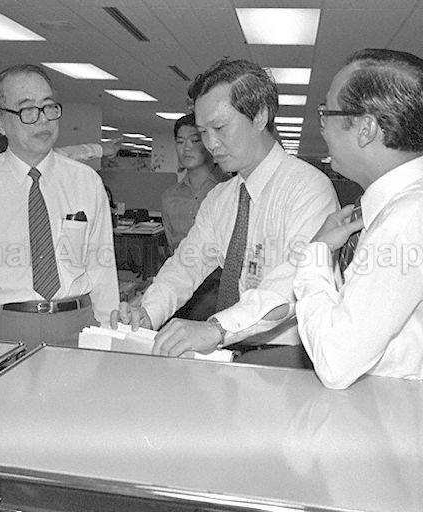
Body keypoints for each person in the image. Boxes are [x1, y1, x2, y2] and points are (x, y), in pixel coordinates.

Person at [290, 48, 423, 410]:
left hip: (394, 436)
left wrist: (316, 253)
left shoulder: (408, 220)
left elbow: (335, 361)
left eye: (326, 112)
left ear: (365, 129)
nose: (322, 126)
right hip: (411, 422)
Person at [112, 58, 339, 367]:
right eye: (204, 132)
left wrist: (216, 329)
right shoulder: (222, 198)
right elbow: (186, 265)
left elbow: (295, 282)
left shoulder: (308, 189)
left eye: (219, 128)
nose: (211, 144)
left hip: (290, 356)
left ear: (260, 116)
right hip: (232, 354)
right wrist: (147, 313)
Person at [0, 64, 118, 347]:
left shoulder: (86, 182)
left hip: (77, 326)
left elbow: (102, 268)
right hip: (0, 328)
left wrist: (111, 336)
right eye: (27, 110)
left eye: (49, 107)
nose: (42, 120)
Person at [161, 113, 229, 321]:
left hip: (220, 293)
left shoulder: (229, 192)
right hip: (180, 290)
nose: (186, 148)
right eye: (180, 142)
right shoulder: (169, 197)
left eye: (195, 140)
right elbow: (173, 249)